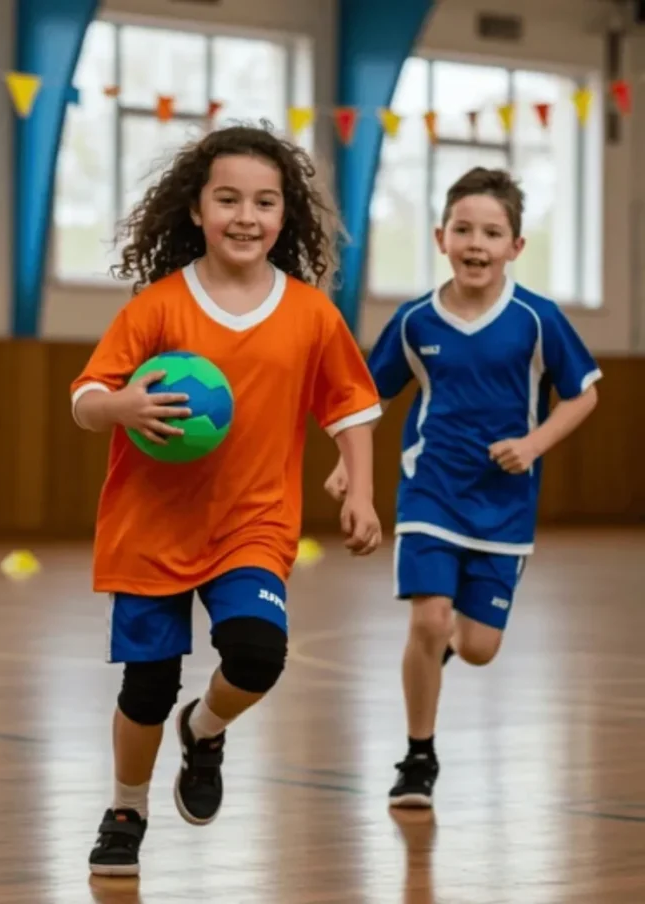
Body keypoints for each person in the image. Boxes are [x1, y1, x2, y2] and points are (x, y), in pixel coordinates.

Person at [70, 123, 384, 877]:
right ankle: (126, 809)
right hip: (151, 527)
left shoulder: (311, 313)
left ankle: (204, 728)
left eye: (265, 202)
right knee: (147, 686)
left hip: (253, 522)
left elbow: (351, 407)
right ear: (196, 209)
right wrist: (121, 407)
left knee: (257, 655)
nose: (247, 217)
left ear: (286, 214)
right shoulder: (157, 309)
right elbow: (85, 398)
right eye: (228, 200)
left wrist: (363, 491)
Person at [324, 166, 601, 808]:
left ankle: (439, 649)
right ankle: (418, 757)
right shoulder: (416, 321)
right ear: (441, 237)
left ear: (515, 246)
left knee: (477, 647)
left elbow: (584, 394)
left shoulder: (536, 319)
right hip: (430, 492)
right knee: (429, 617)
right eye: (464, 230)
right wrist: (347, 462)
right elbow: (368, 397)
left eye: (493, 233)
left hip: (505, 505)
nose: (477, 243)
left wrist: (533, 445)